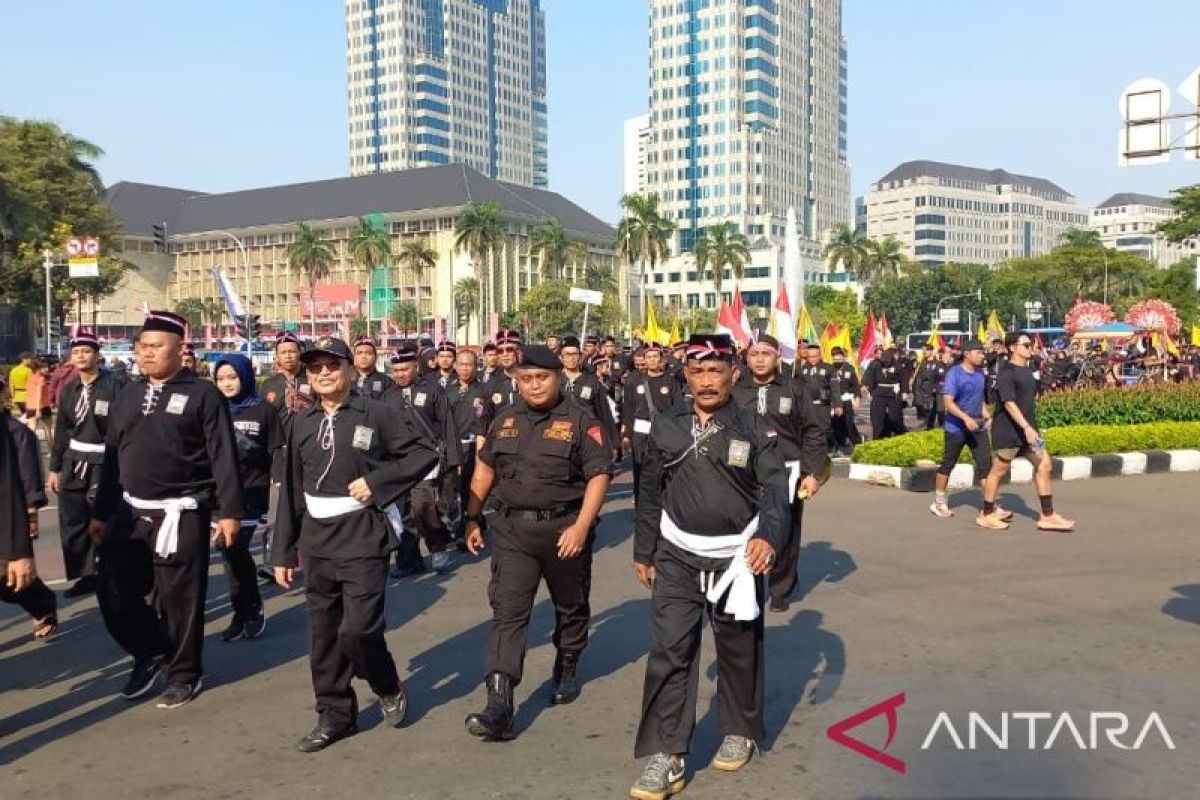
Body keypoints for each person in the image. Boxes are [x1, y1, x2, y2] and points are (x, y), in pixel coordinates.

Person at [629, 335, 789, 798]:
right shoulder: (667, 425)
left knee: (739, 649)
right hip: (676, 555)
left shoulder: (754, 426)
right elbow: (649, 492)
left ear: (732, 373)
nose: (705, 381)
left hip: (737, 557)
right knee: (669, 651)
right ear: (686, 376)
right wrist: (644, 551)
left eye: (715, 371)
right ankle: (668, 754)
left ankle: (739, 729)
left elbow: (777, 488)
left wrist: (767, 537)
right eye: (697, 372)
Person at [272, 337, 439, 752]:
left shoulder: (378, 413)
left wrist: (378, 482)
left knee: (360, 630)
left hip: (363, 533)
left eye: (332, 365)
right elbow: (293, 490)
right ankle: (334, 715)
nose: (324, 373)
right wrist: (282, 551)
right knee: (324, 635)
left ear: (349, 369)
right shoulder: (300, 421)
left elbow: (424, 453)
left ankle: (385, 683)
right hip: (318, 538)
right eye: (315, 368)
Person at [89, 310, 244, 708]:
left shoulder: (202, 394)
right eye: (142, 347)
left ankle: (184, 672)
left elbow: (223, 455)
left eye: (156, 347)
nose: (147, 354)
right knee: (113, 589)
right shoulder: (128, 392)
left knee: (180, 599)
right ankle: (151, 651)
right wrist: (101, 512)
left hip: (181, 511)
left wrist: (229, 512)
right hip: (130, 512)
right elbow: (112, 458)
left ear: (179, 350)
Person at [462, 345, 612, 739]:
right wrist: (472, 517)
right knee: (507, 612)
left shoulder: (581, 420)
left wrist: (581, 526)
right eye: (526, 379)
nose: (534, 385)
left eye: (541, 377)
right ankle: (499, 703)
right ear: (517, 380)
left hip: (564, 530)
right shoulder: (504, 420)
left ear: (557, 377)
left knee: (571, 604)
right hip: (513, 532)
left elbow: (599, 475)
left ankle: (567, 665)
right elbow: (484, 470)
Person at [731, 334, 828, 613]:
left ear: (777, 358)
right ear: (747, 358)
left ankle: (781, 586)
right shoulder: (737, 391)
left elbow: (813, 430)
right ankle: (750, 581)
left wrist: (812, 473)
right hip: (746, 470)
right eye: (754, 354)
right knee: (747, 525)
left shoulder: (794, 389)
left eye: (766, 354)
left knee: (785, 527)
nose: (759, 359)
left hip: (787, 468)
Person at [48, 332, 125, 597]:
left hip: (105, 460)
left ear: (97, 355)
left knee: (105, 518)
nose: (81, 356)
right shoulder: (69, 389)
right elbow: (62, 430)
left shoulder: (115, 385)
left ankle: (110, 570)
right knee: (72, 521)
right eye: (76, 351)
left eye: (86, 351)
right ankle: (84, 574)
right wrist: (55, 467)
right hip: (74, 460)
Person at [212, 353, 281, 641]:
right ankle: (240, 612)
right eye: (220, 378)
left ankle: (251, 607)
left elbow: (276, 447)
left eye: (232, 377)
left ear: (245, 376)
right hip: (220, 494)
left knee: (236, 548)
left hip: (252, 491)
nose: (227, 384)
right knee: (228, 553)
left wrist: (277, 476)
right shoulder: (212, 408)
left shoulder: (263, 410)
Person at [977, 332, 1075, 532]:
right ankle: (987, 514)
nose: (1030, 348)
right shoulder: (1006, 372)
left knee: (1045, 464)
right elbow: (1009, 403)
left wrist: (1032, 429)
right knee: (999, 470)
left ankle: (1047, 515)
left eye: (1031, 345)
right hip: (1009, 431)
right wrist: (1026, 428)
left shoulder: (1027, 370)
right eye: (1026, 345)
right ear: (1013, 348)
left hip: (1030, 431)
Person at [386, 342, 463, 576]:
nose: (400, 374)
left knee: (422, 506)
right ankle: (409, 560)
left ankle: (438, 547)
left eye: (405, 369)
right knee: (403, 512)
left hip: (426, 459)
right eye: (396, 370)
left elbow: (448, 424)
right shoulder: (386, 397)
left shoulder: (432, 390)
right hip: (398, 462)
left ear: (416, 367)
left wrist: (454, 458)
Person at [929, 340, 1008, 520]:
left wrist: (984, 413)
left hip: (977, 427)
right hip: (955, 428)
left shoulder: (980, 374)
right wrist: (965, 418)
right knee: (947, 465)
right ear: (966, 354)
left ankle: (990, 505)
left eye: (982, 352)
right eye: (978, 352)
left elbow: (978, 397)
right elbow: (948, 403)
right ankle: (939, 502)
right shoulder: (954, 374)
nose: (982, 355)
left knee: (985, 467)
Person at [260, 332, 314, 580]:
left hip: (307, 448)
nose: (289, 356)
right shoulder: (269, 385)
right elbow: (264, 423)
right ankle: (275, 558)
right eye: (284, 352)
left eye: (293, 351)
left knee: (306, 503)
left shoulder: (310, 378)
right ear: (277, 355)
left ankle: (305, 555)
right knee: (278, 507)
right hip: (279, 452)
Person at [0, 416, 58, 642]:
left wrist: (31, 513)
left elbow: (26, 477)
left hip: (8, 514)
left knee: (9, 578)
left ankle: (41, 603)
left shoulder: (17, 432)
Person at [621, 343, 684, 502]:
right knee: (640, 469)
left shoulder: (671, 382)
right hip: (641, 433)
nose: (652, 360)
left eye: (655, 357)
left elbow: (678, 410)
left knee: (664, 470)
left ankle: (663, 505)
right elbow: (628, 409)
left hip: (664, 432)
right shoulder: (634, 381)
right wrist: (626, 435)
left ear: (662, 359)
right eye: (648, 357)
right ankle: (641, 506)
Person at [446, 348, 493, 542]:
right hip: (454, 445)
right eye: (462, 364)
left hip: (476, 444)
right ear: (455, 365)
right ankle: (463, 524)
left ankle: (473, 524)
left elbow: (487, 421)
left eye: (469, 365)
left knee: (471, 487)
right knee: (453, 489)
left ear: (476, 366)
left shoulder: (482, 390)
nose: (465, 369)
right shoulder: (448, 391)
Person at [559, 335, 619, 456]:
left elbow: (604, 413)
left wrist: (613, 443)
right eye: (567, 354)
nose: (571, 358)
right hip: (561, 440)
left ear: (581, 357)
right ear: (561, 358)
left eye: (574, 354)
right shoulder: (555, 382)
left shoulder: (592, 382)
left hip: (588, 439)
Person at [861, 346, 906, 440]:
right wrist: (871, 391)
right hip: (879, 393)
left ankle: (899, 435)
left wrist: (904, 392)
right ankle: (878, 437)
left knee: (895, 416)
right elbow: (871, 379)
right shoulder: (876, 365)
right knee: (877, 416)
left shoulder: (898, 366)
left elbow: (903, 379)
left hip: (893, 393)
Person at [828, 347, 861, 456]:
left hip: (847, 400)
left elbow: (856, 386)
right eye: (835, 360)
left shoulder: (849, 368)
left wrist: (857, 399)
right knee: (836, 425)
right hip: (834, 401)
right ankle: (839, 446)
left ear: (843, 357)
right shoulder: (830, 369)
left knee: (849, 424)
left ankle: (858, 443)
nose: (837, 362)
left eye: (839, 359)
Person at [485, 329, 523, 410]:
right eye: (500, 351)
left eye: (509, 349)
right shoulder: (490, 383)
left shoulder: (529, 380)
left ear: (519, 351)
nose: (505, 354)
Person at [352, 336, 393, 400]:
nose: (363, 356)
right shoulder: (346, 382)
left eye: (368, 353)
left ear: (376, 357)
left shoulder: (387, 382)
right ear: (354, 358)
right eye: (359, 353)